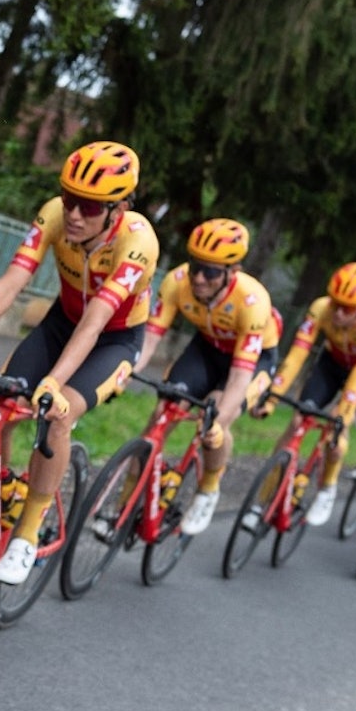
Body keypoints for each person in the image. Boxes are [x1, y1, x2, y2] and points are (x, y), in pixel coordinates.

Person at [0, 141, 159, 584]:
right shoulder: (53, 215)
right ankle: (4, 490)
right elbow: (12, 282)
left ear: (118, 208)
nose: (74, 214)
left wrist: (54, 383)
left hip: (113, 339)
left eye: (89, 206)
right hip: (60, 323)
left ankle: (26, 535)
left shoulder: (137, 243)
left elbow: (98, 320)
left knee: (58, 411)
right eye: (69, 199)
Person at [133, 218, 280, 536]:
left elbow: (241, 376)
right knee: (162, 412)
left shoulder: (252, 302)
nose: (199, 278)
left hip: (251, 363)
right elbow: (149, 339)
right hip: (207, 347)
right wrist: (124, 371)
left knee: (213, 416)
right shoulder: (177, 281)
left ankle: (209, 488)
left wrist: (219, 419)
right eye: (195, 266)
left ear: (233, 271)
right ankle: (122, 507)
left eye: (211, 272)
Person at [250, 262, 356, 527]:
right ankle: (263, 500)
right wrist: (271, 397)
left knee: (336, 433)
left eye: (347, 308)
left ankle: (327, 488)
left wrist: (343, 416)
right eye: (335, 303)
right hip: (332, 363)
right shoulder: (320, 308)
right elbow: (296, 356)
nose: (338, 312)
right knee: (297, 421)